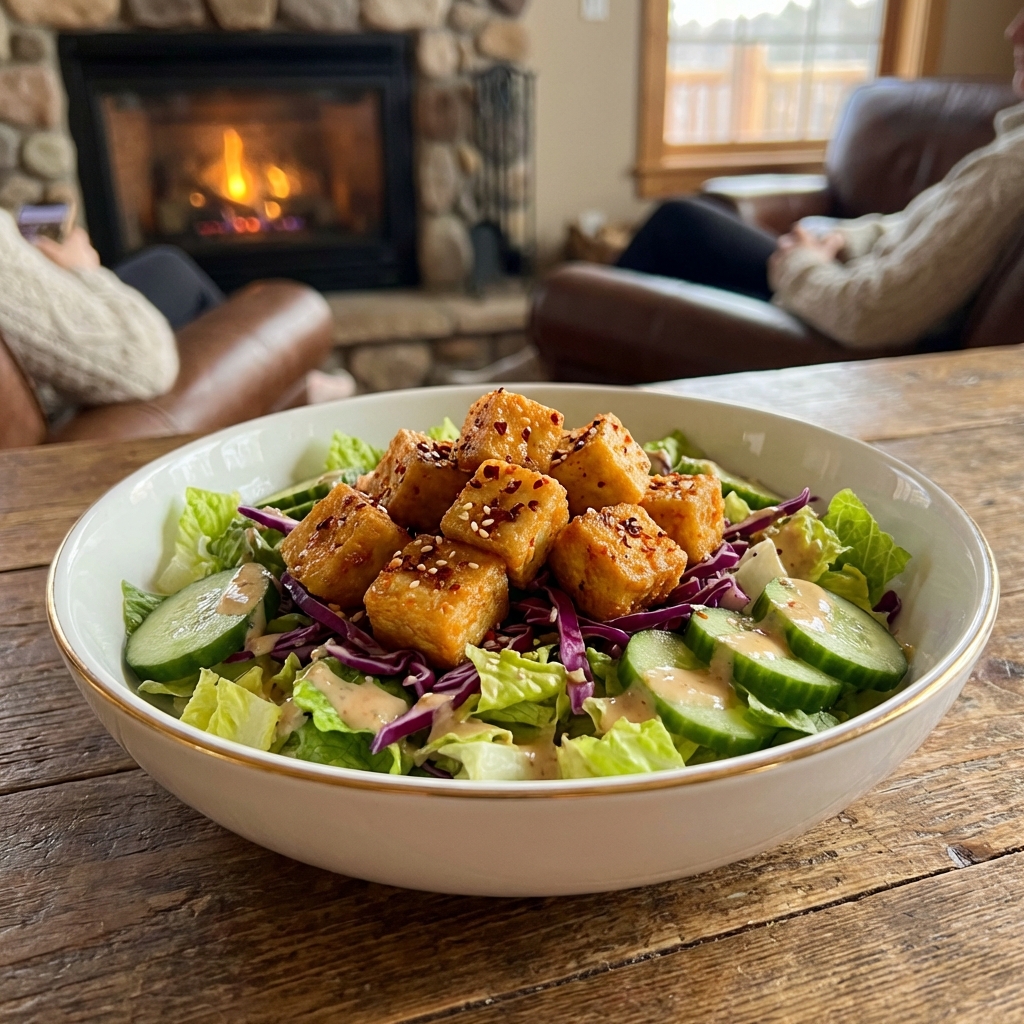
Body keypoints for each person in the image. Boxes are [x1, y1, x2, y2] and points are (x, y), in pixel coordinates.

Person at [617, 8, 1024, 350]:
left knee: (678, 224)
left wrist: (800, 263)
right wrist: (837, 238)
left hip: (844, 316)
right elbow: (916, 230)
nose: (1012, 31)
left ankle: (586, 415)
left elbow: (874, 315)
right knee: (691, 222)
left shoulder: (1011, 168)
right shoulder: (1007, 152)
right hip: (840, 270)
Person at [0, 207, 223, 421]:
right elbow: (146, 365)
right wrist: (85, 272)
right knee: (175, 274)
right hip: (59, 398)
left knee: (164, 264)